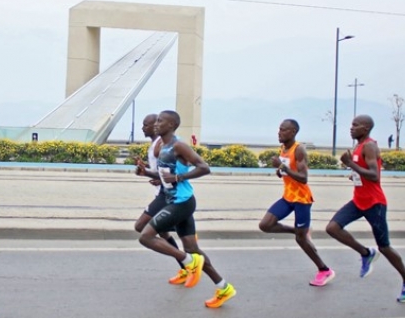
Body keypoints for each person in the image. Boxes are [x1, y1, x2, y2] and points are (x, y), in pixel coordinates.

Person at [136, 110, 236, 308]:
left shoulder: (178, 145)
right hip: (172, 198)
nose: (156, 124)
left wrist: (180, 178)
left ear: (172, 125)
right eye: (156, 121)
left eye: (160, 121)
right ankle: (223, 286)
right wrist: (146, 172)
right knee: (193, 249)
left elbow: (204, 167)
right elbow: (166, 172)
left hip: (181, 202)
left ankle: (187, 262)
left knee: (145, 236)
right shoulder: (163, 146)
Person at [326, 115, 405, 303]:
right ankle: (366, 253)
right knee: (332, 228)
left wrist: (350, 164)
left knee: (384, 246)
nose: (351, 128)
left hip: (374, 203)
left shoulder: (370, 146)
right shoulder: (358, 146)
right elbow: (362, 172)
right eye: (351, 124)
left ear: (366, 128)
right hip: (358, 201)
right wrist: (353, 173)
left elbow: (374, 176)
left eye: (356, 125)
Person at [259, 119, 335, 286]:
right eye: (279, 129)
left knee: (301, 240)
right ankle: (299, 231)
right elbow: (287, 172)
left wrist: (283, 167)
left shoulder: (299, 150)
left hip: (301, 199)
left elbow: (303, 178)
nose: (279, 132)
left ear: (293, 132)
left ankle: (324, 270)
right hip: (288, 197)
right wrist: (280, 171)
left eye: (283, 130)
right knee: (265, 225)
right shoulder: (283, 148)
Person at [133, 113, 187, 283]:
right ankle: (186, 268)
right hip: (163, 192)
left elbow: (177, 165)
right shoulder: (155, 145)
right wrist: (147, 172)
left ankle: (188, 261)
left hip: (168, 194)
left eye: (146, 124)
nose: (144, 128)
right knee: (163, 232)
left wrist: (167, 178)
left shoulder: (161, 145)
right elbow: (162, 169)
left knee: (141, 226)